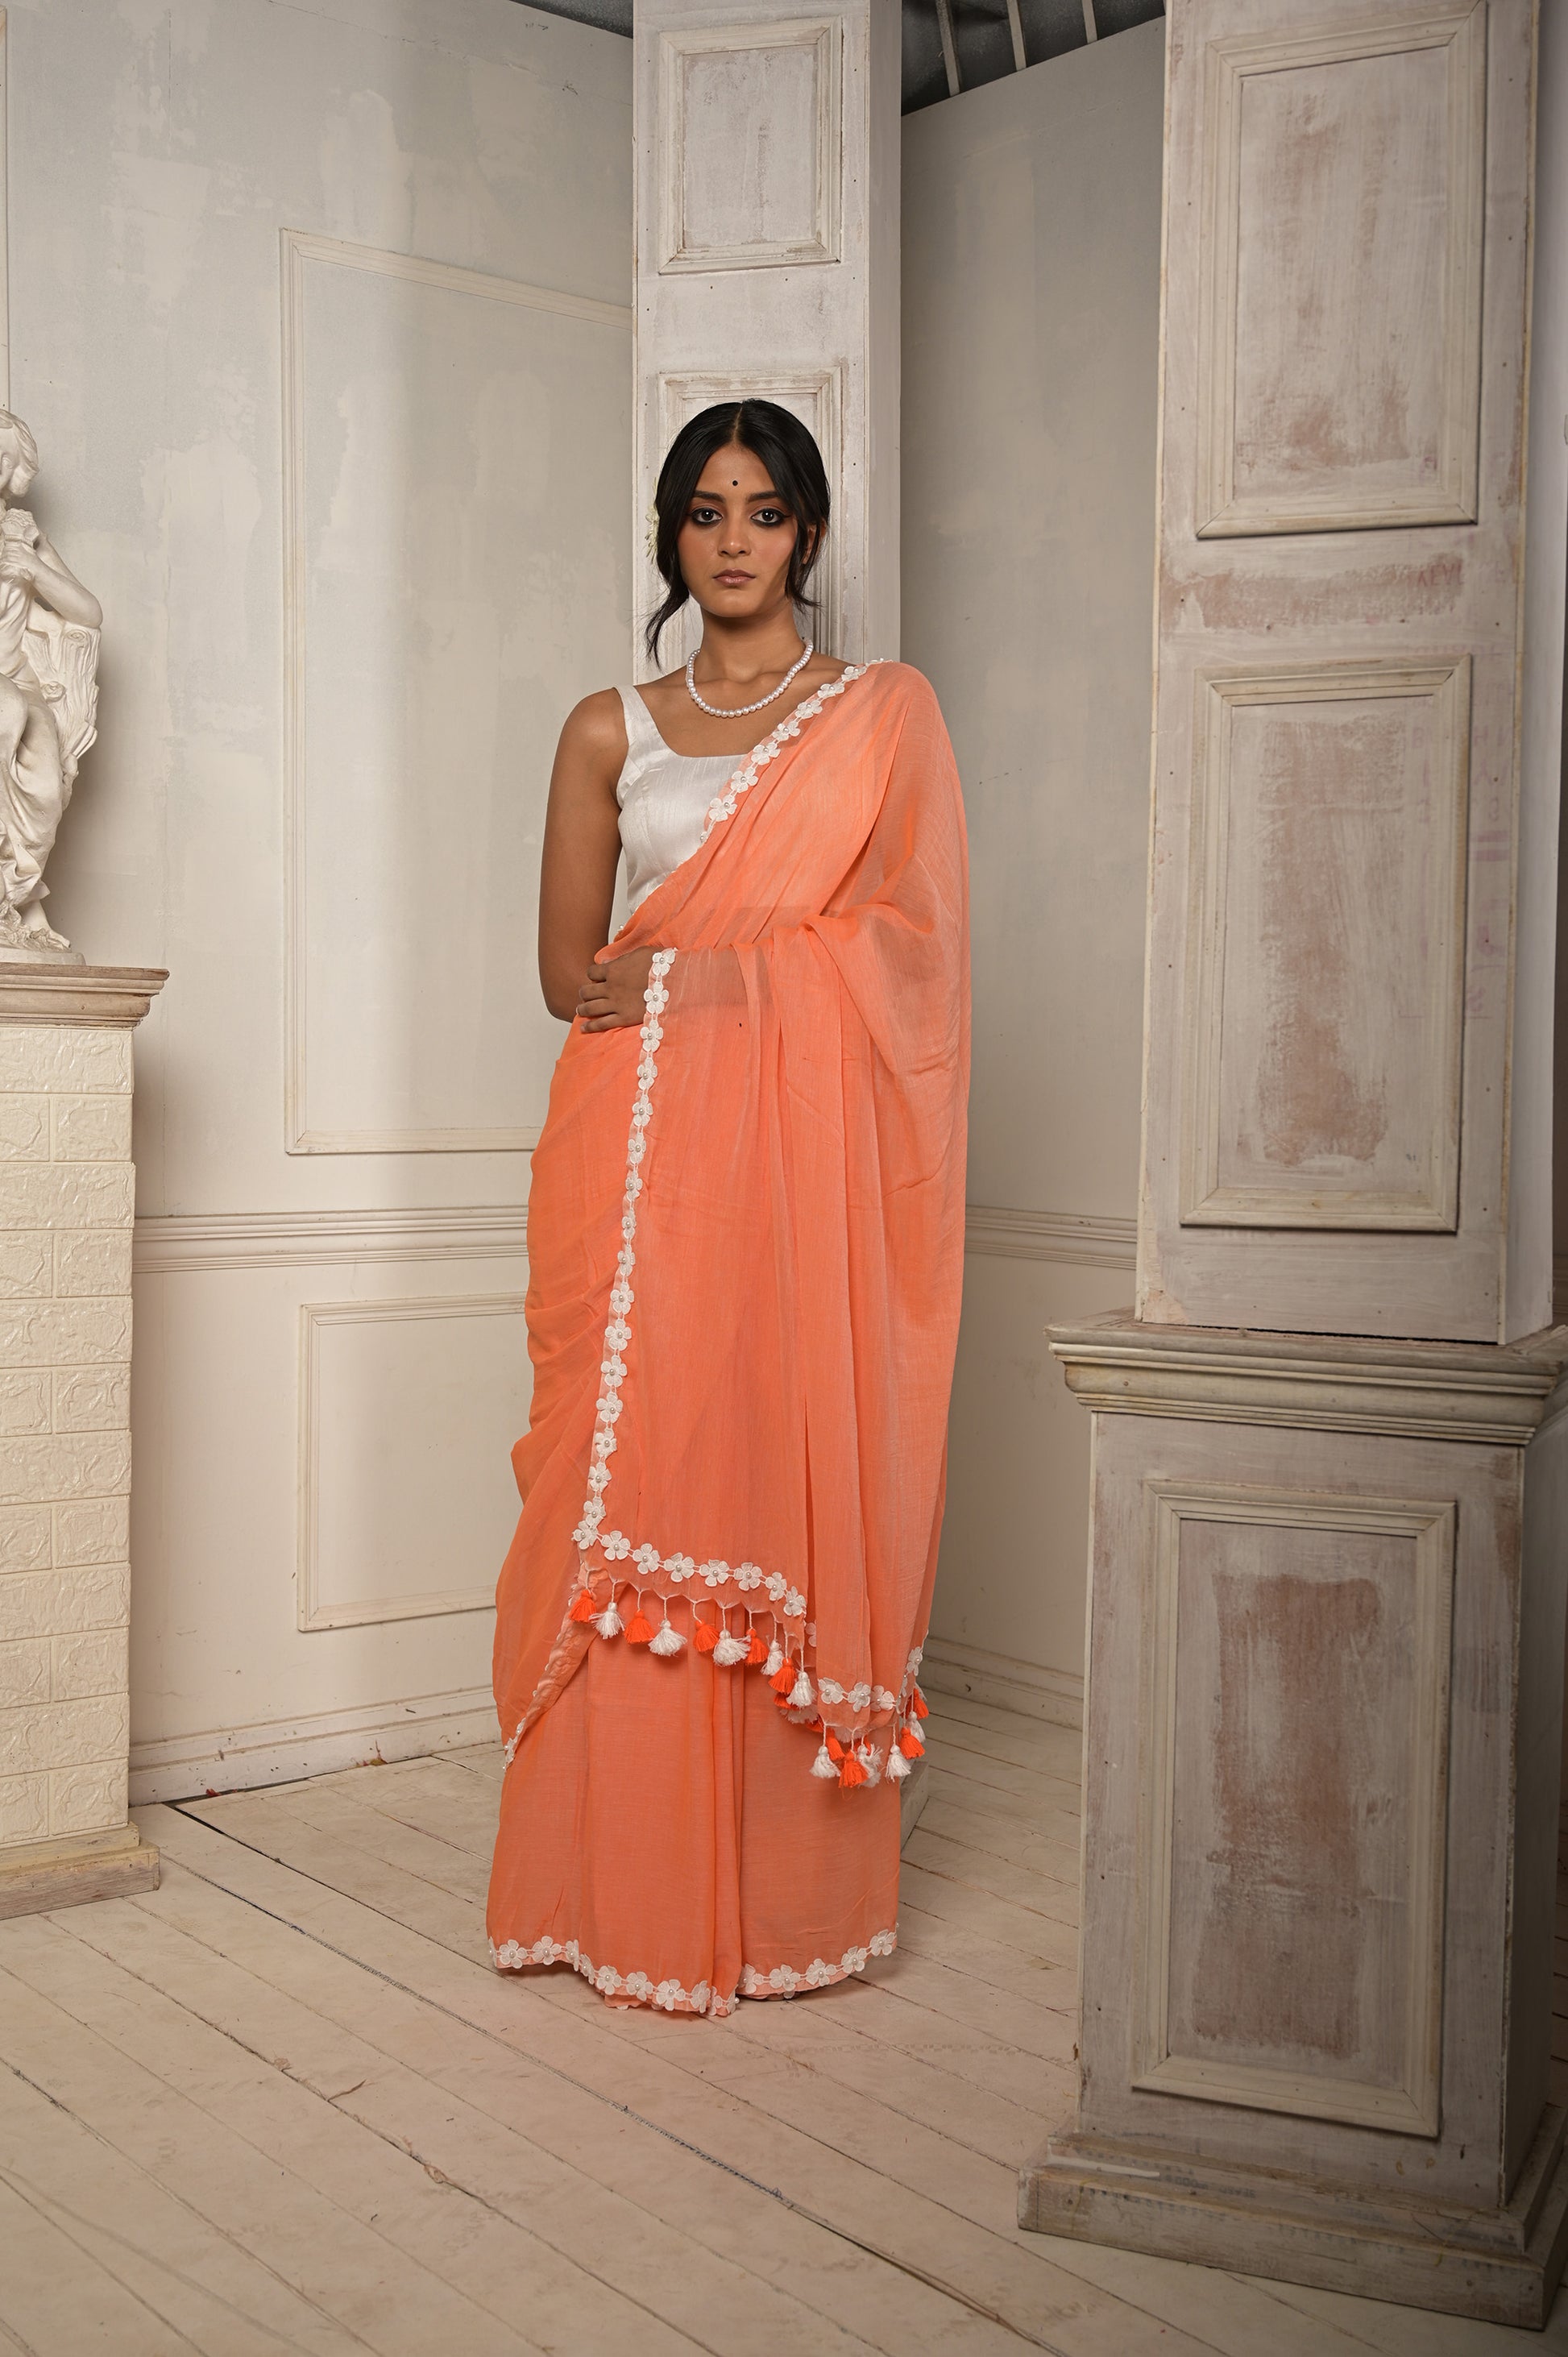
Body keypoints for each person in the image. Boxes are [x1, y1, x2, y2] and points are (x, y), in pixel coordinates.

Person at [487, 400, 969, 2017]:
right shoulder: (605, 730)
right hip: (630, 1164)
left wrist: (716, 980)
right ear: (670, 536)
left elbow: (914, 954)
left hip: (793, 1177)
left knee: (768, 1454)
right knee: (621, 1472)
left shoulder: (880, 716)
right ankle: (607, 1886)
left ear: (808, 533)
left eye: (765, 511)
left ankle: (774, 1903)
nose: (736, 539)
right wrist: (677, 985)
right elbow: (572, 974)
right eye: (706, 512)